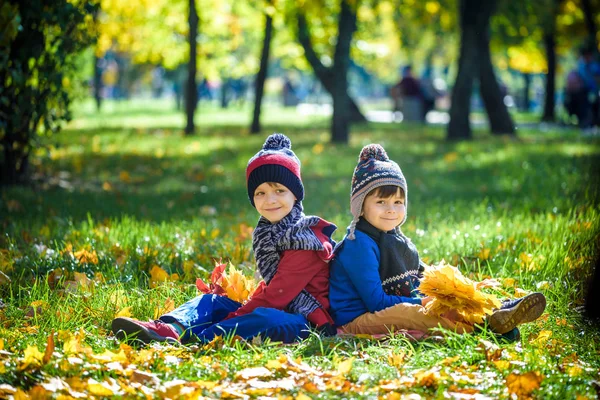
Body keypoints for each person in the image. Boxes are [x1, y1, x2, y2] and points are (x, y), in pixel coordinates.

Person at [112, 133, 337, 344]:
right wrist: (232, 311)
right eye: (260, 193)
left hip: (307, 321)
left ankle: (203, 338)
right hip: (279, 307)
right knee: (210, 301)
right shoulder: (268, 232)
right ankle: (169, 329)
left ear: (295, 194)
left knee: (264, 318)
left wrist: (229, 319)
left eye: (279, 191)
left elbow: (276, 296)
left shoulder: (305, 239)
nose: (270, 200)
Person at [329, 144, 546, 340]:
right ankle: (481, 332)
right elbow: (376, 302)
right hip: (358, 319)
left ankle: (493, 312)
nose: (390, 209)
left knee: (448, 297)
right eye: (380, 201)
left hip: (385, 309)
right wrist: (424, 302)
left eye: (398, 201)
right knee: (414, 313)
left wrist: (448, 295)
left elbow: (423, 277)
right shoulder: (358, 244)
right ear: (360, 206)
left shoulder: (396, 240)